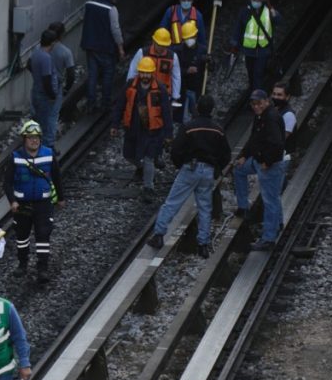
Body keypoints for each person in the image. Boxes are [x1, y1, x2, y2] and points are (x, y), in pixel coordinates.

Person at [146, 95, 231, 258]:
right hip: (208, 171)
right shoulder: (218, 129)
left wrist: (181, 165)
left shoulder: (189, 127)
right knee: (205, 207)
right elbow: (225, 154)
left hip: (190, 168)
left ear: (197, 107)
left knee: (172, 203)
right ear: (212, 109)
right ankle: (203, 244)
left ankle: (159, 235)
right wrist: (217, 168)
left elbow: (176, 150)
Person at [4, 120, 65, 284]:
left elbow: (57, 177)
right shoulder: (15, 157)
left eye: (37, 137)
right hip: (22, 205)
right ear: (24, 139)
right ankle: (22, 264)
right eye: (31, 137)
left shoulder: (48, 154)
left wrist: (61, 198)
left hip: (43, 204)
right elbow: (7, 183)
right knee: (22, 236)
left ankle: (42, 269)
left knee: (43, 234)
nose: (34, 140)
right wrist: (12, 201)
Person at [111, 57, 173, 202]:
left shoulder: (160, 89)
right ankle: (141, 168)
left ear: (152, 73)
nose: (145, 76)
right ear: (139, 72)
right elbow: (120, 105)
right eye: (143, 72)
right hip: (133, 128)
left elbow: (166, 112)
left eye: (148, 73)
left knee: (149, 158)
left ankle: (148, 188)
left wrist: (168, 134)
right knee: (128, 154)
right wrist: (115, 125)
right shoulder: (130, 86)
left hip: (152, 131)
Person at [233, 89, 285, 251]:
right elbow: (254, 138)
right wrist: (244, 155)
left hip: (268, 164)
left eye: (259, 103)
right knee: (239, 170)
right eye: (253, 104)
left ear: (266, 102)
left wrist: (268, 162)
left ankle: (269, 238)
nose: (256, 106)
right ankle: (244, 207)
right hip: (258, 160)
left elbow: (277, 144)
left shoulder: (271, 118)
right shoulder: (261, 116)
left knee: (270, 199)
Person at [80, 0, 125, 112]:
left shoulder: (89, 4)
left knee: (92, 75)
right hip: (105, 48)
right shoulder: (111, 9)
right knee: (107, 75)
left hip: (90, 46)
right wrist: (120, 48)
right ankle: (106, 103)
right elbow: (115, 30)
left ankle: (91, 104)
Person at [229, 0, 283, 91]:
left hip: (263, 49)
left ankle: (257, 94)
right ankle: (253, 90)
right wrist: (235, 44)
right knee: (251, 73)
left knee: (258, 73)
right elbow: (238, 28)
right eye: (255, 0)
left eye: (259, 0)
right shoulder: (245, 12)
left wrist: (271, 8)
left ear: (263, 0)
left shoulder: (267, 11)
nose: (257, 2)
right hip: (249, 50)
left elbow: (279, 20)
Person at [127, 28, 182, 104]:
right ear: (154, 41)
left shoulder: (173, 57)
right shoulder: (142, 53)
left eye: (164, 45)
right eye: (159, 45)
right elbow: (132, 72)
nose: (161, 47)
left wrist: (175, 96)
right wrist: (130, 90)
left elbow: (176, 77)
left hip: (164, 95)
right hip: (144, 93)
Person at [29, 29, 60, 148]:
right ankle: (46, 149)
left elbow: (28, 65)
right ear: (52, 43)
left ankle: (37, 147)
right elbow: (47, 79)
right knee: (46, 124)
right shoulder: (46, 58)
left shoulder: (36, 53)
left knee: (38, 121)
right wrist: (52, 95)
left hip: (36, 91)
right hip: (44, 96)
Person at [172, 20, 206, 123]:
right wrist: (186, 71)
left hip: (196, 88)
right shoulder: (178, 51)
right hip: (183, 88)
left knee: (196, 113)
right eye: (187, 38)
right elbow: (174, 70)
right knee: (184, 117)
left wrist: (210, 61)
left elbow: (209, 69)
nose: (189, 40)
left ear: (196, 36)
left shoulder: (202, 50)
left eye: (191, 37)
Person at [48, 21, 77, 119]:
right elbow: (71, 75)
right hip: (56, 86)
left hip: (40, 85)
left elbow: (29, 64)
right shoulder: (66, 52)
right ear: (61, 35)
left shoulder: (40, 48)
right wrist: (66, 89)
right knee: (53, 116)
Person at [271, 81, 297, 183]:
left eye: (279, 95)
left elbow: (281, 138)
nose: (275, 97)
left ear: (287, 97)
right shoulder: (274, 110)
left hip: (282, 158)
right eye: (274, 94)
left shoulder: (288, 115)